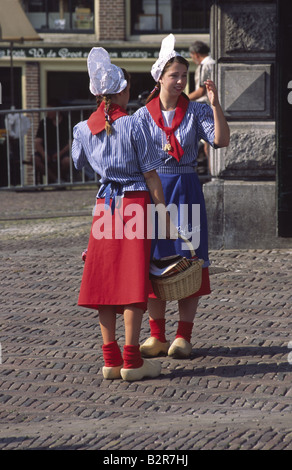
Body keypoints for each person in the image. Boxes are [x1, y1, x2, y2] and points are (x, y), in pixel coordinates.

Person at [72, 47, 172, 381]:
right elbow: (152, 175)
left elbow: (78, 163)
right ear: (122, 91)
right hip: (135, 205)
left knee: (105, 282)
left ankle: (110, 359)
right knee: (132, 281)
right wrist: (165, 216)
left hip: (105, 206)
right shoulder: (134, 125)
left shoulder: (84, 129)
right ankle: (132, 361)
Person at [134, 34, 230, 359]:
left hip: (187, 190)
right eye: (174, 76)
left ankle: (183, 336)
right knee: (155, 263)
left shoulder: (197, 111)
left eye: (184, 76)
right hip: (154, 192)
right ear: (159, 77)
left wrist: (216, 107)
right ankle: (156, 335)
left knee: (190, 262)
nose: (180, 81)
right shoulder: (142, 116)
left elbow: (221, 140)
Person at [188, 41, 216, 173]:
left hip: (207, 106)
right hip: (214, 106)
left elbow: (201, 91)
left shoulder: (205, 65)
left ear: (196, 54)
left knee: (208, 145)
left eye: (192, 56)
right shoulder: (214, 63)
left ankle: (211, 174)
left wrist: (181, 99)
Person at [34, 99, 70, 183]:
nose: (48, 112)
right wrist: (44, 154)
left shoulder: (67, 121)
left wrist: (59, 154)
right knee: (34, 159)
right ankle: (56, 180)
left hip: (62, 152)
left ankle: (61, 178)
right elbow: (37, 142)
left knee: (67, 161)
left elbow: (71, 142)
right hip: (47, 151)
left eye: (50, 110)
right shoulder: (44, 122)